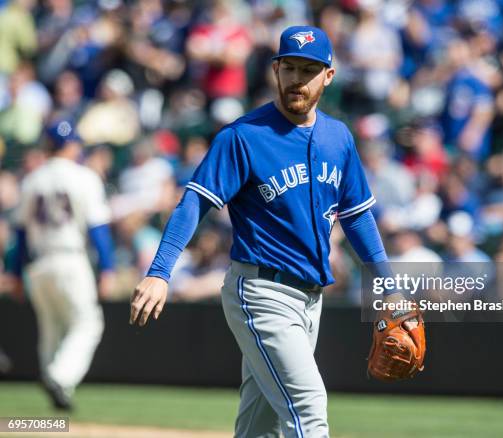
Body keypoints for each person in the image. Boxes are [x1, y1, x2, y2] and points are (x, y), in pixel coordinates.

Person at [130, 25, 396, 438]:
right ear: (275, 70)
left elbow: (357, 217)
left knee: (262, 427)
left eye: (308, 70)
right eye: (288, 67)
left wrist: (388, 286)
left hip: (311, 301)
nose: (296, 79)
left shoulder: (338, 138)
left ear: (328, 75)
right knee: (309, 407)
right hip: (261, 293)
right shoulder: (243, 136)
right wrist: (160, 271)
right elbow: (194, 203)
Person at [9, 119, 115, 411]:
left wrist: (15, 274)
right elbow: (98, 229)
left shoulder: (32, 179)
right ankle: (58, 377)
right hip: (70, 258)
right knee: (88, 322)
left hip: (38, 264)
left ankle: (54, 384)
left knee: (50, 328)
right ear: (71, 145)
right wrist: (107, 268)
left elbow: (18, 234)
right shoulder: (84, 176)